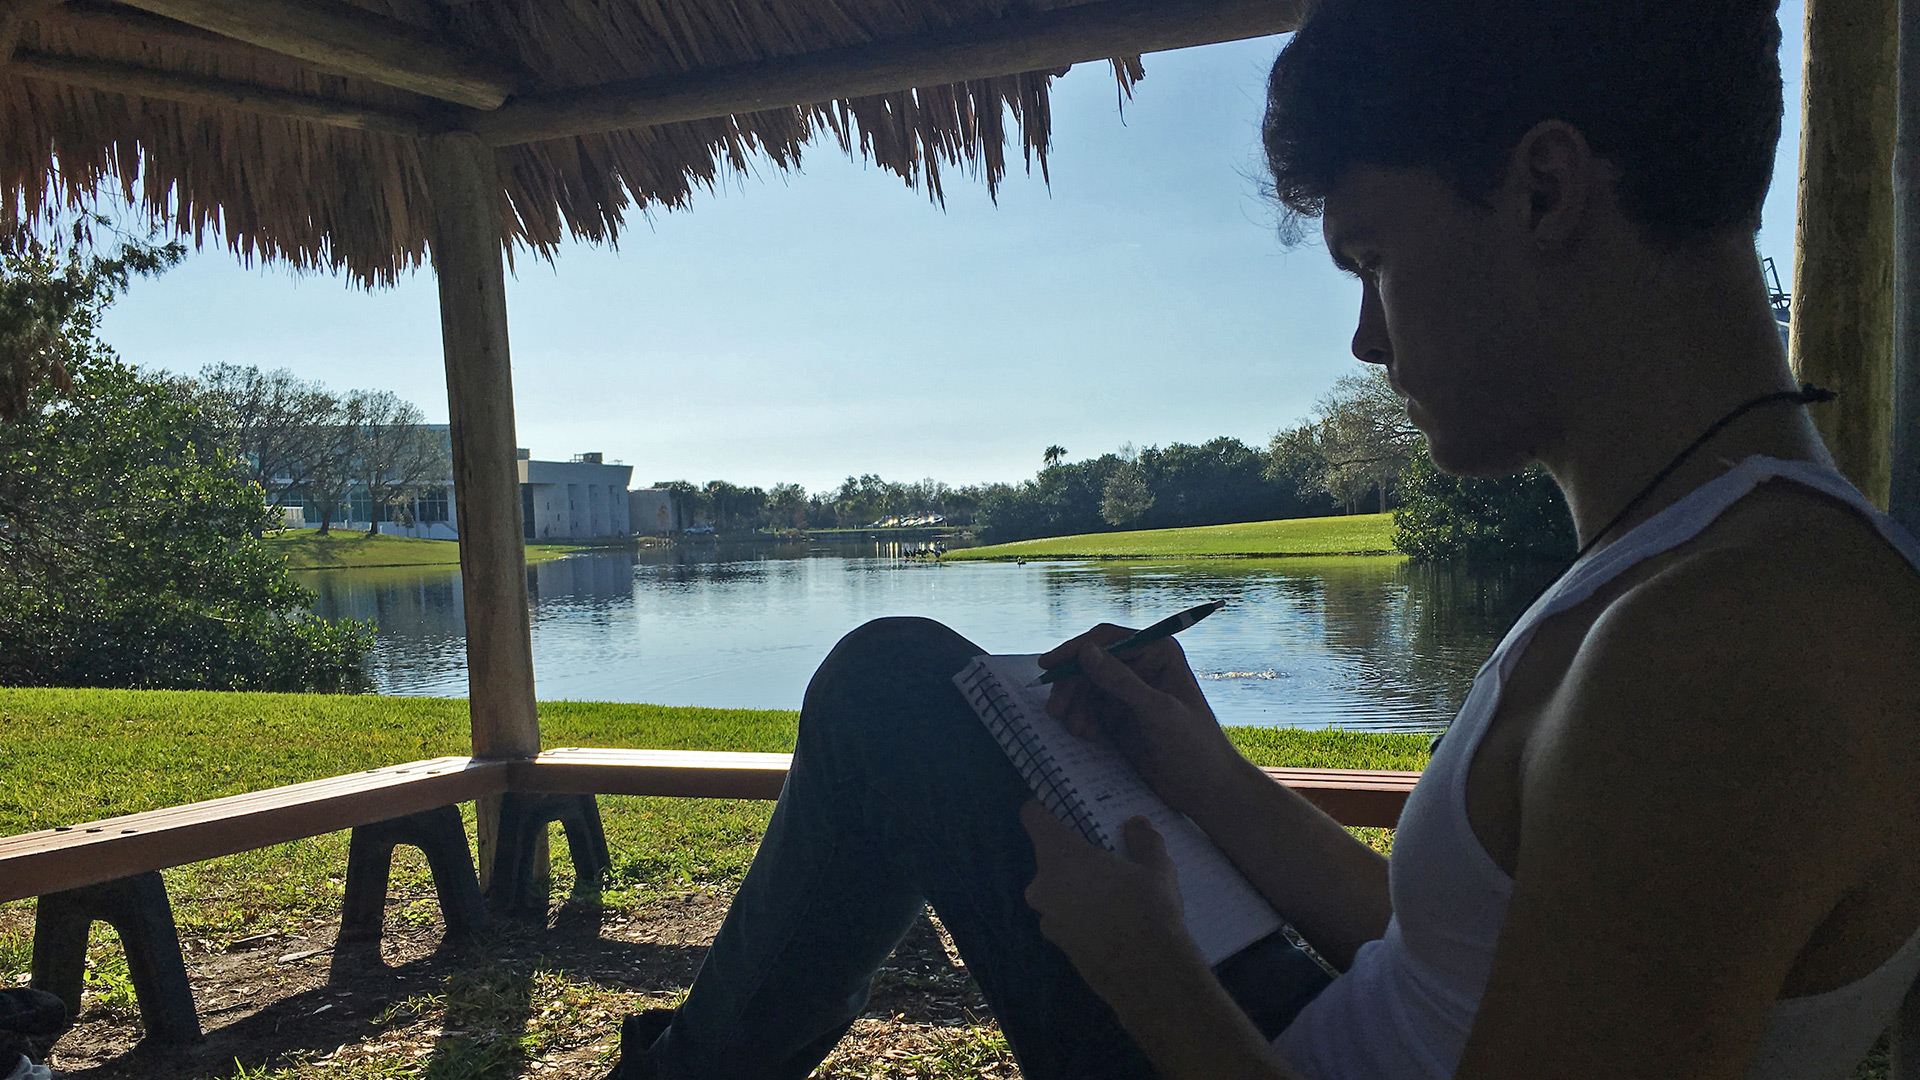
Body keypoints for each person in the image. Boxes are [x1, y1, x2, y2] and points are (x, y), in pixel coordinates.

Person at [609, 1, 1920, 1077]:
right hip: (1309, 1028)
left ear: (1541, 190)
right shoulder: (1691, 563)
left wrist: (1151, 977)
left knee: (887, 690)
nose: (1366, 337)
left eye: (1371, 255)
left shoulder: (1734, 652)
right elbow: (1445, 961)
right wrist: (1205, 775)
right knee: (898, 682)